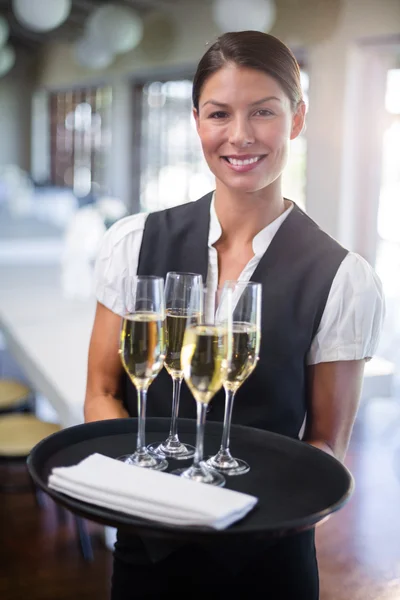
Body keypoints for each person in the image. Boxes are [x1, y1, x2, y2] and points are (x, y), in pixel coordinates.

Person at [85, 31, 384, 600]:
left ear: (296, 120)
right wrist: (139, 490)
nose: (240, 135)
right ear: (197, 120)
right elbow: (102, 390)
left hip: (266, 561)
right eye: (219, 114)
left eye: (263, 112)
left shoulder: (345, 279)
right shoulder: (133, 242)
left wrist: (242, 517)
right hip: (146, 548)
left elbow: (325, 446)